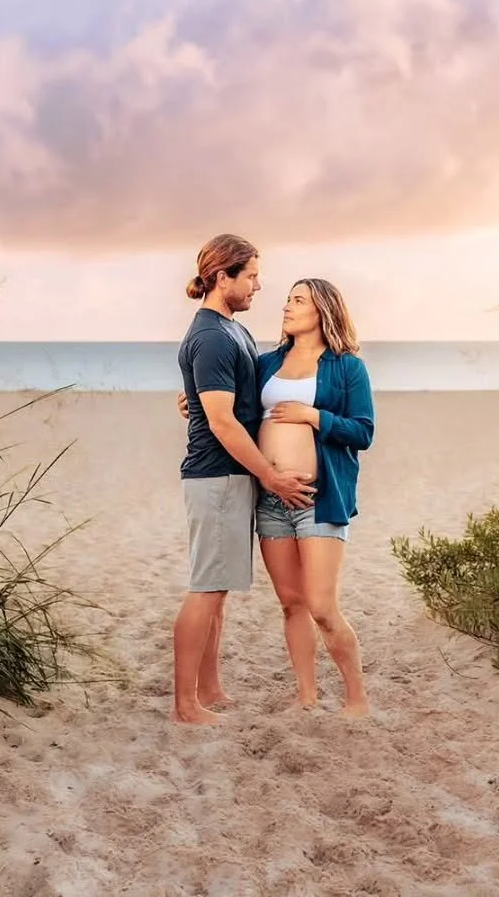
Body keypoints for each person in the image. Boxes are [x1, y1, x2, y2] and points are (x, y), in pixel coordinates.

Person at [179, 277, 376, 717]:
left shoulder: (347, 367)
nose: (287, 306)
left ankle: (356, 698)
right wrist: (192, 402)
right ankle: (306, 696)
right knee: (292, 605)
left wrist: (313, 415)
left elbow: (363, 431)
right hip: (271, 502)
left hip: (318, 499)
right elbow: (227, 404)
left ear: (323, 310)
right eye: (288, 299)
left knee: (322, 607)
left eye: (298, 300)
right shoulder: (266, 363)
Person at [174, 234, 315, 726]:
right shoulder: (212, 335)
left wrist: (191, 399)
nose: (258, 285)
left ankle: (209, 690)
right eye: (251, 276)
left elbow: (228, 398)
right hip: (216, 475)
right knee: (206, 588)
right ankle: (185, 705)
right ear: (222, 277)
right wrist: (272, 477)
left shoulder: (232, 331)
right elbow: (223, 422)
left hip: (231, 477)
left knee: (219, 590)